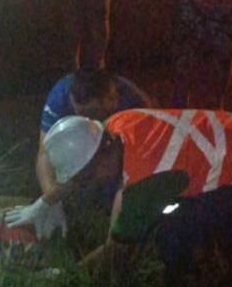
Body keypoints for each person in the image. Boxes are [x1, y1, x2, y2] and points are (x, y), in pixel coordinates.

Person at [7, 108, 232, 273]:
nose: (85, 185)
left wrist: (68, 276)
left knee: (173, 231)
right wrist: (46, 201)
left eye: (85, 179)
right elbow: (94, 169)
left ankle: (214, 263)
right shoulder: (117, 124)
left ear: (98, 159)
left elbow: (115, 251)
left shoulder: (147, 182)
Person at [35, 68, 153, 236]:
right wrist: (52, 200)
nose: (91, 119)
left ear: (113, 99)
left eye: (96, 113)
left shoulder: (135, 104)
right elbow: (45, 152)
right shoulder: (60, 98)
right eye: (83, 114)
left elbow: (143, 166)